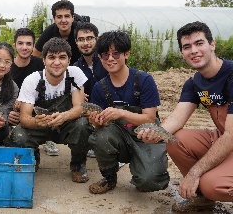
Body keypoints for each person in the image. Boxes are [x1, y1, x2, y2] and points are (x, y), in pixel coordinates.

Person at [137, 21, 233, 212]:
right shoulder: (194, 83)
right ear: (182, 53)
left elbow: (231, 135)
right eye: (187, 47)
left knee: (211, 184)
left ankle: (205, 188)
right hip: (225, 138)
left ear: (212, 44)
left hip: (230, 137)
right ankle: (203, 200)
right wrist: (156, 132)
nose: (194, 51)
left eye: (199, 43)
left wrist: (194, 173)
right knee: (176, 139)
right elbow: (177, 119)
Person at [87, 30, 169, 194]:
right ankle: (109, 178)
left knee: (149, 182)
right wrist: (96, 120)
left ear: (127, 54)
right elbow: (97, 124)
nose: (110, 59)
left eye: (116, 54)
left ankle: (141, 166)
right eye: (105, 54)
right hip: (120, 137)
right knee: (100, 137)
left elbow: (150, 119)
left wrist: (121, 113)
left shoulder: (144, 80)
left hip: (145, 137)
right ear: (100, 57)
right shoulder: (99, 87)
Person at [4, 37, 92, 183]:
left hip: (65, 124)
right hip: (40, 126)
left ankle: (78, 165)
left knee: (83, 125)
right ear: (44, 60)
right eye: (51, 57)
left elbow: (79, 108)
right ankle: (34, 156)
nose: (57, 62)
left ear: (69, 60)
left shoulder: (75, 74)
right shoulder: (32, 80)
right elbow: (24, 118)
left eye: (62, 57)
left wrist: (63, 116)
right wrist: (37, 122)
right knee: (18, 135)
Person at [9, 28, 59, 156]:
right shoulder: (7, 67)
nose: (24, 47)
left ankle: (47, 137)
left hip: (35, 104)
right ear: (15, 45)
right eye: (20, 43)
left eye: (28, 44)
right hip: (14, 106)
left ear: (33, 46)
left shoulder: (41, 64)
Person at [72, 22, 108, 158]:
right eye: (81, 39)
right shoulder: (75, 68)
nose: (85, 43)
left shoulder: (107, 60)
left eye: (89, 38)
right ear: (76, 42)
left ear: (96, 40)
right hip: (90, 111)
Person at [32, 0, 81, 64]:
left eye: (67, 16)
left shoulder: (81, 31)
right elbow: (34, 56)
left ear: (72, 18)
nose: (63, 20)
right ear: (54, 19)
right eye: (59, 17)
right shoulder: (49, 32)